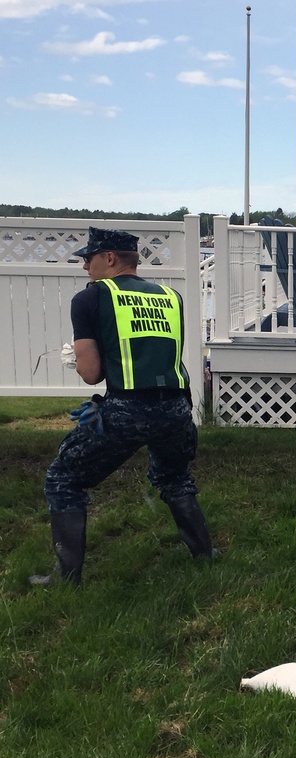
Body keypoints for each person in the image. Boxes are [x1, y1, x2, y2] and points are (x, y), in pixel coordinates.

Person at [32, 227, 216, 586]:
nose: (85, 266)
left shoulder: (90, 299)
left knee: (63, 478)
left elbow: (91, 373)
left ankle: (66, 576)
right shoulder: (170, 296)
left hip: (128, 409)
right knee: (174, 476)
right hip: (177, 409)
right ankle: (204, 554)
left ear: (110, 258)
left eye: (89, 258)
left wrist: (75, 357)